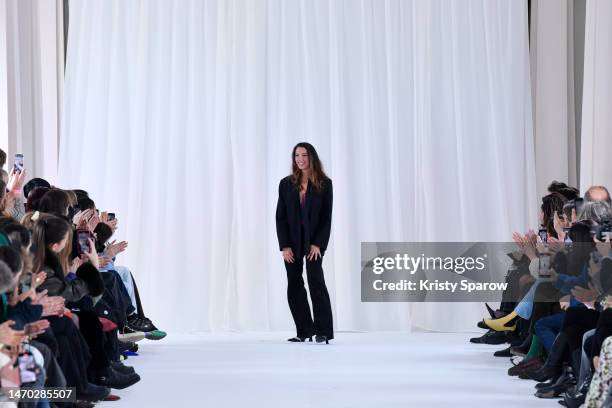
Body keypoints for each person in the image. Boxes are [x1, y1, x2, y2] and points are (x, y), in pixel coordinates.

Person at [276, 142, 334, 344]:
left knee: (316, 282)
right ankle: (304, 331)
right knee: (294, 285)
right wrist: (284, 246)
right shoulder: (286, 184)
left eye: (304, 155)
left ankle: (323, 331)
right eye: (296, 155)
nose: (300, 159)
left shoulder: (325, 184)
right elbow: (280, 217)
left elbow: (326, 218)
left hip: (313, 244)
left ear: (312, 158)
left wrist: (318, 244)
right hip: (291, 243)